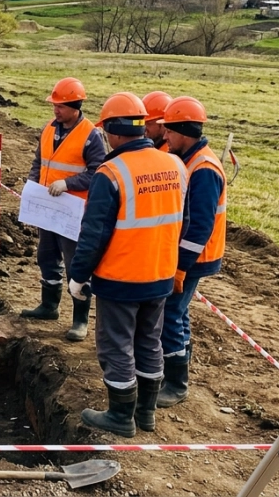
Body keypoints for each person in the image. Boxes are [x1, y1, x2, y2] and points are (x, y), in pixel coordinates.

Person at [67, 92, 188, 437]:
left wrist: (78, 276)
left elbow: (94, 234)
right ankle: (145, 414)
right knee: (149, 342)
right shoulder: (174, 165)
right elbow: (186, 219)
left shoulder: (111, 172)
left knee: (116, 345)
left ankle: (121, 417)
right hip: (161, 274)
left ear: (113, 133)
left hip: (121, 278)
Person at [20, 77, 108, 342]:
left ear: (75, 106)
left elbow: (98, 173)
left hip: (73, 212)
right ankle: (49, 307)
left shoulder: (91, 136)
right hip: (47, 208)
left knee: (74, 265)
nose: (55, 110)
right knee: (46, 257)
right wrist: (32, 184)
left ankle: (80, 320)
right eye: (54, 105)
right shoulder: (49, 128)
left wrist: (68, 183)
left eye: (60, 106)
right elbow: (40, 161)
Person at [157, 96, 227, 408]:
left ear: (184, 131)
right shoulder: (189, 159)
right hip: (191, 255)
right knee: (179, 310)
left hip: (195, 256)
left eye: (168, 131)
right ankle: (179, 362)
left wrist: (181, 267)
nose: (165, 137)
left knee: (170, 311)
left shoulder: (204, 168)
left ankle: (175, 383)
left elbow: (200, 226)